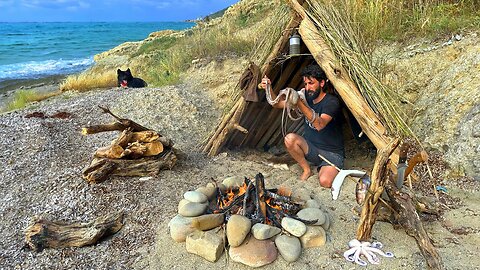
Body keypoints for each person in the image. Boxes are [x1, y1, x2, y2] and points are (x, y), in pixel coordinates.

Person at [261, 64, 345, 187]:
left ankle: (325, 168)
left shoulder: (331, 102)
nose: (307, 87)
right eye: (305, 84)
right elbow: (277, 104)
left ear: (321, 83)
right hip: (311, 149)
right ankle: (307, 170)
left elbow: (319, 124)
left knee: (325, 182)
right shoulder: (305, 97)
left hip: (332, 154)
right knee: (289, 139)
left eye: (311, 83)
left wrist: (299, 103)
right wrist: (268, 88)